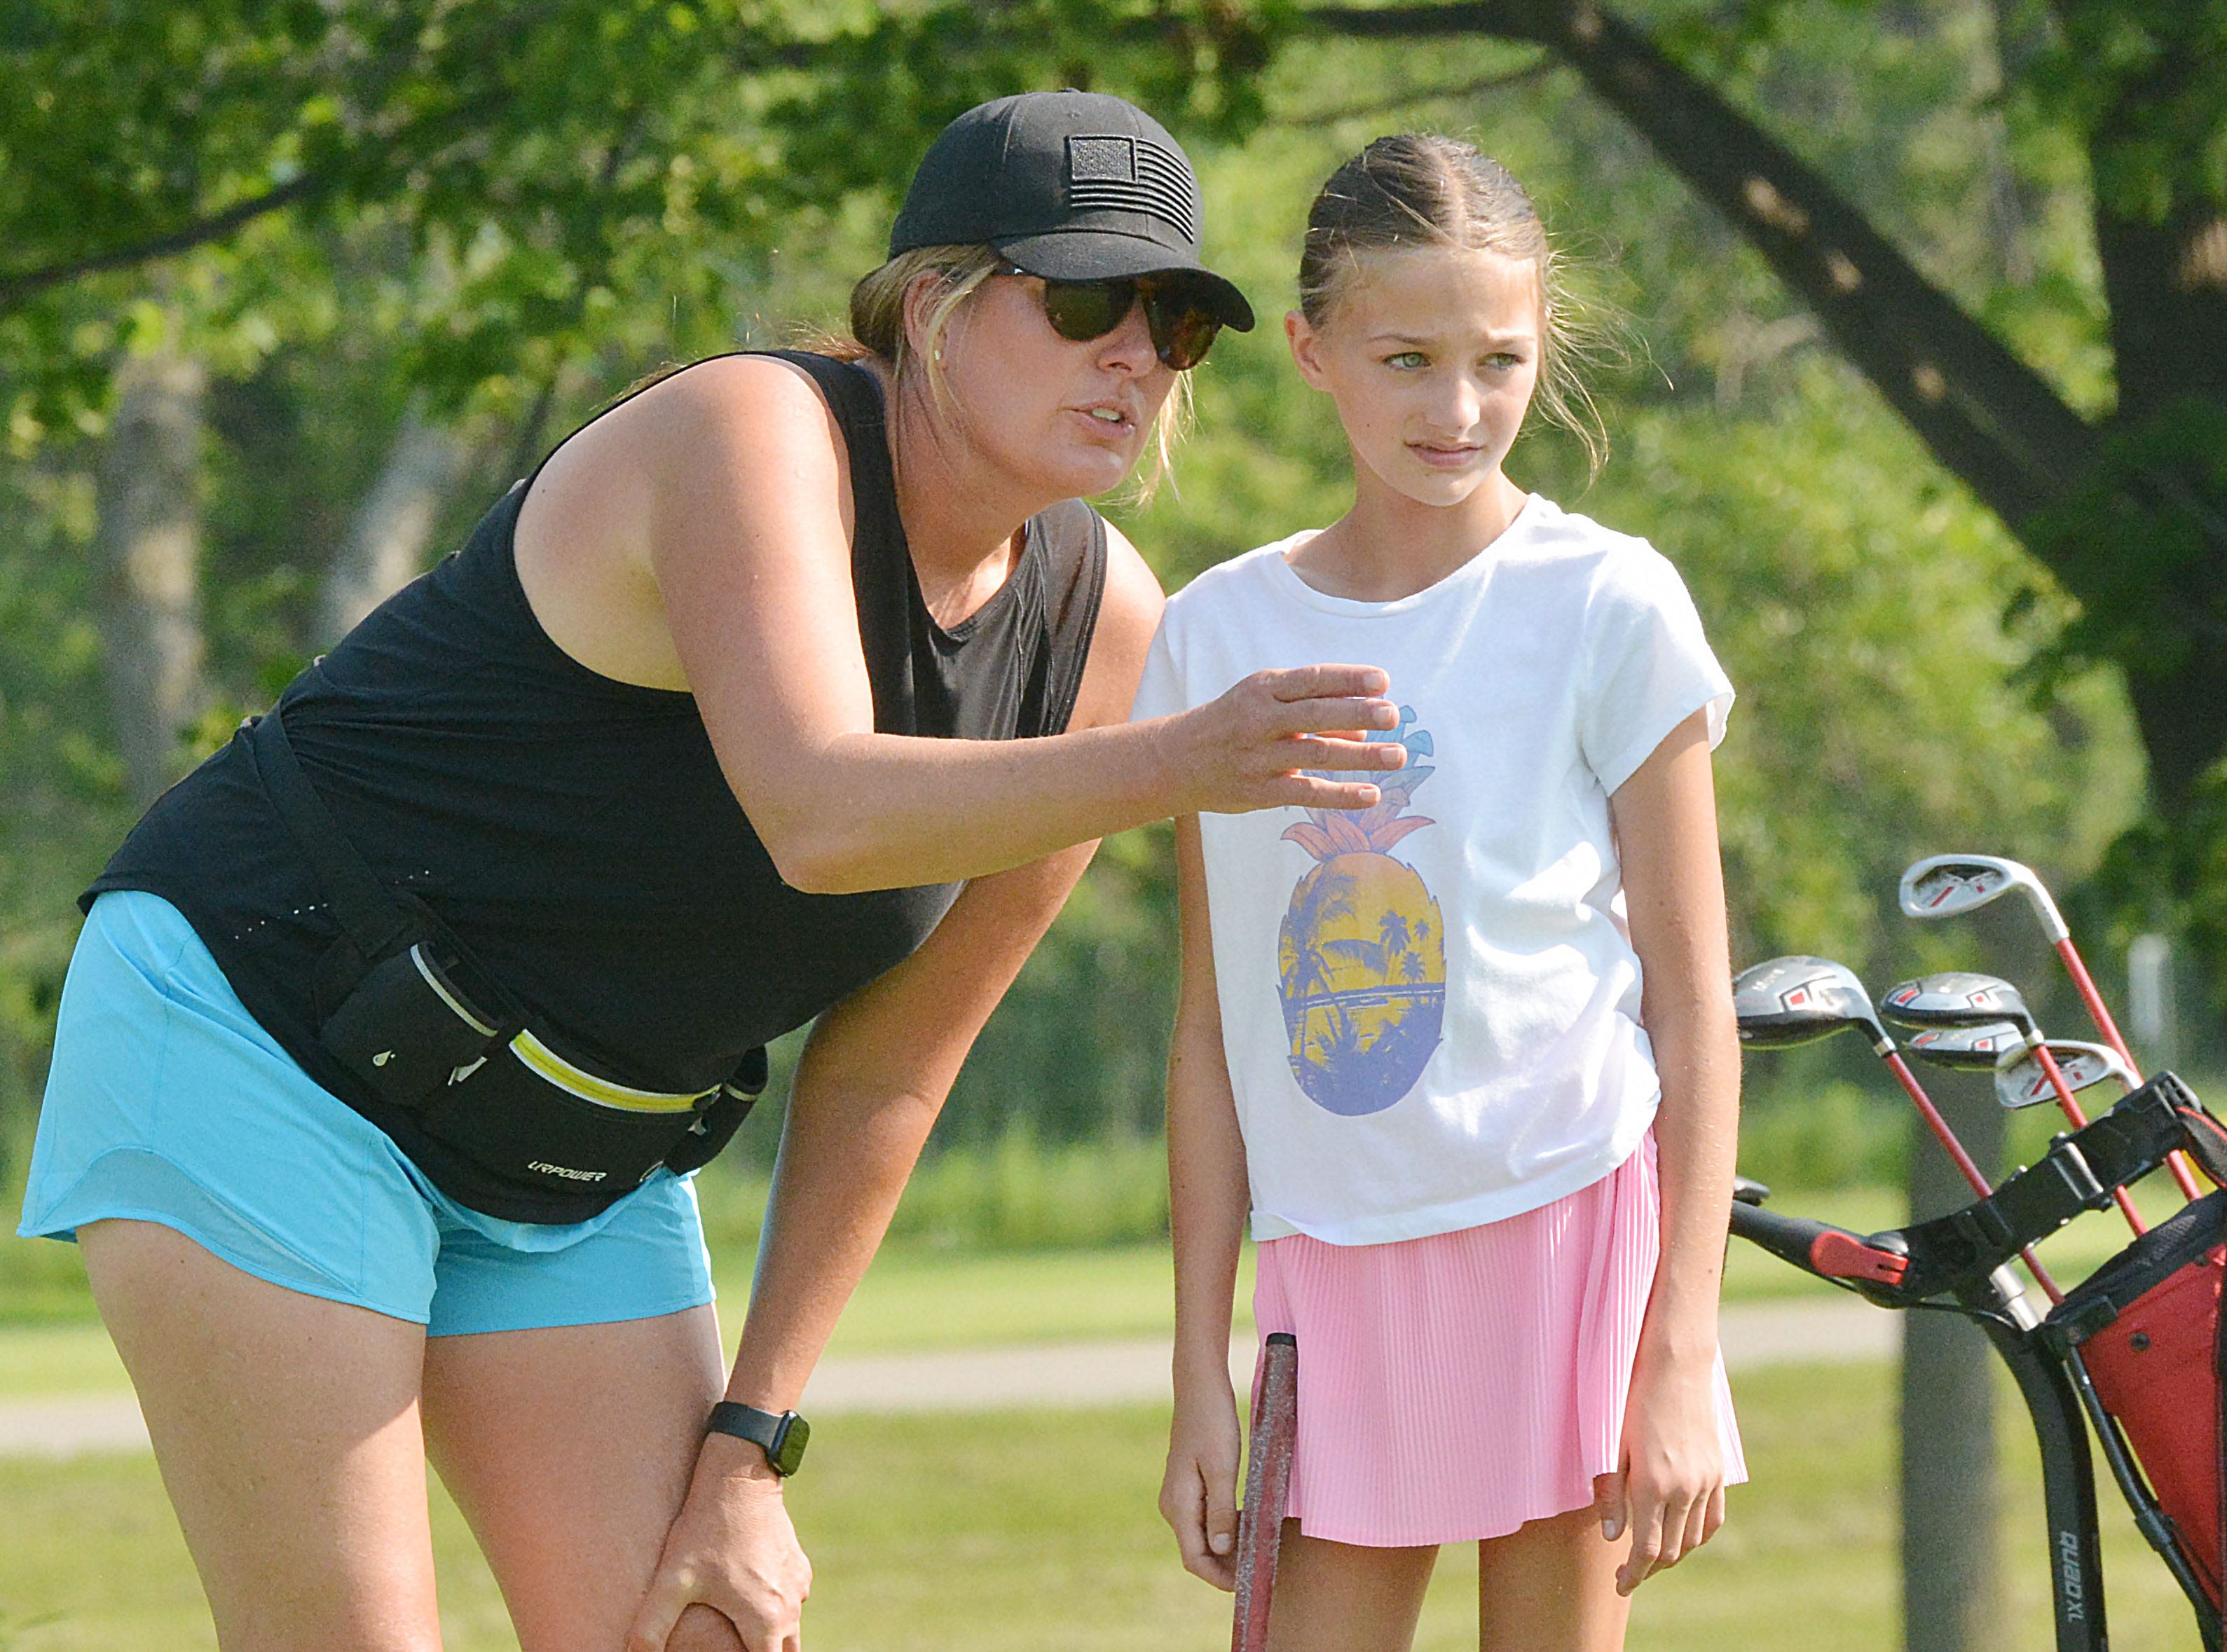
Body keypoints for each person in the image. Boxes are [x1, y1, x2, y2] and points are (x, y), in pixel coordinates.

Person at [14, 91, 1407, 1652]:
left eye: (1176, 321)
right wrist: (1178, 763)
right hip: (264, 1030)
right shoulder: (751, 434)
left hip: (572, 1146)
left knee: (700, 1629)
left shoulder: (1107, 634)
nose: (1137, 356)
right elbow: (817, 809)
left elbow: (893, 1068)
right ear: (931, 306)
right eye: (1084, 299)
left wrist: (752, 1444)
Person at [1143, 134, 1749, 1651]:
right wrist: (1192, 1377)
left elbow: (1691, 1007)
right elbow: (1213, 1035)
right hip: (1326, 1269)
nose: (1459, 407)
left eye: (1499, 359)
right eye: (1407, 357)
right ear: (1309, 350)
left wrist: (1681, 1349)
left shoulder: (1608, 604)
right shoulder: (1217, 641)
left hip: (1570, 1233)